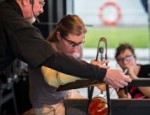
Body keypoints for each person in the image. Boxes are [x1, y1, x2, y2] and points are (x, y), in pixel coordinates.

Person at [0, 0, 131, 90]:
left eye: (79, 44)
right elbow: (53, 64)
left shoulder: (6, 12)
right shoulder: (13, 22)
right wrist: (102, 73)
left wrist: (94, 72)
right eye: (40, 2)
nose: (42, 9)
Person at [29, 14, 110, 115]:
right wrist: (91, 70)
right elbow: (53, 80)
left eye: (79, 43)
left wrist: (98, 79)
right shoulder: (47, 51)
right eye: (71, 43)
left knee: (100, 110)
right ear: (59, 36)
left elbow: (78, 74)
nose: (76, 49)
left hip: (67, 95)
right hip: (49, 107)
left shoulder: (76, 47)